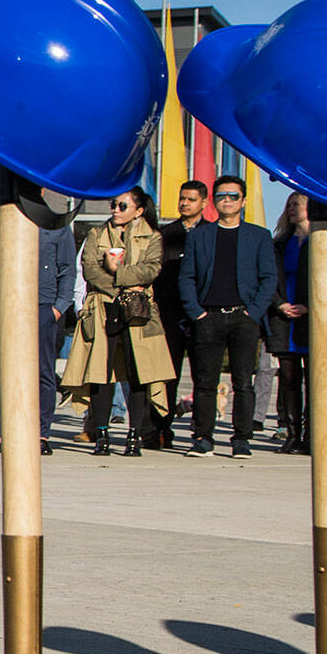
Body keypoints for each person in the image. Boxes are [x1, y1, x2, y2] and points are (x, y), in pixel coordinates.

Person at [61, 187, 174, 456]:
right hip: (102, 308)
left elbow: (151, 270)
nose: (115, 209)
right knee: (100, 373)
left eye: (122, 205)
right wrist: (120, 284)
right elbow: (90, 270)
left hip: (138, 313)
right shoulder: (96, 234)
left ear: (139, 209)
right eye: (113, 204)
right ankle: (101, 434)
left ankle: (134, 436)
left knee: (138, 374)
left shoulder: (153, 237)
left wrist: (117, 271)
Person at [178, 174, 278, 458]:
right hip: (207, 317)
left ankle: (242, 439)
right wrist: (196, 312)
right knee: (205, 381)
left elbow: (269, 277)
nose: (227, 200)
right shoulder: (200, 236)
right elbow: (187, 277)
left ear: (243, 201)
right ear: (214, 201)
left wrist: (253, 312)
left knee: (243, 381)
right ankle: (203, 437)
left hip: (243, 318)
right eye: (222, 195)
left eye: (233, 196)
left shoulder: (259, 236)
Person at [0, 204, 76, 456]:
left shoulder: (57, 223)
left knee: (43, 372)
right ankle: (1, 433)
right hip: (7, 304)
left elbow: (68, 270)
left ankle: (41, 434)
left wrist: (58, 309)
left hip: (43, 306)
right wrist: (8, 258)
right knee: (2, 374)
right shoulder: (3, 221)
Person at [151, 180, 210, 447]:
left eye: (191, 199)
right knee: (167, 375)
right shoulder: (165, 234)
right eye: (182, 198)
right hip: (170, 313)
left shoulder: (212, 233)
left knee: (203, 376)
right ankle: (161, 429)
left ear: (204, 203)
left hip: (202, 315)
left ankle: (200, 432)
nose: (185, 203)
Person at [268, 192, 312, 455]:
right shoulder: (280, 243)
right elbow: (269, 277)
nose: (291, 209)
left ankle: (313, 435)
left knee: (314, 380)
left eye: (297, 204)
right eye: (289, 205)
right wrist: (279, 304)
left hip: (311, 319)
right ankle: (292, 433)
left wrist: (311, 306)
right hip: (286, 317)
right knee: (289, 379)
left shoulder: (321, 241)